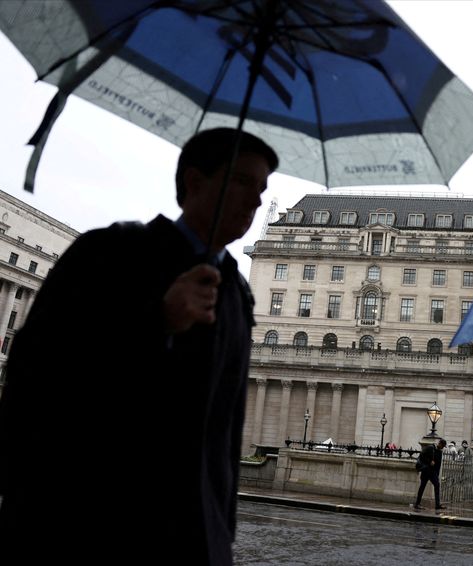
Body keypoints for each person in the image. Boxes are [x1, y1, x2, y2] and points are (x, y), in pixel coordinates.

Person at [0, 128, 278, 566]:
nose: (256, 201)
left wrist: (221, 531)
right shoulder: (107, 253)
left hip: (194, 534)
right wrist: (156, 322)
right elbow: (34, 375)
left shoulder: (237, 293)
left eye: (262, 188)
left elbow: (224, 427)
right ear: (194, 182)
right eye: (242, 181)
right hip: (88, 523)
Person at [414, 438, 447, 511]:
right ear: (440, 443)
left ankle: (437, 505)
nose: (442, 447)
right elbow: (422, 456)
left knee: (437, 485)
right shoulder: (430, 448)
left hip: (433, 473)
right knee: (422, 487)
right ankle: (417, 504)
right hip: (426, 470)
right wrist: (429, 462)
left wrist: (437, 474)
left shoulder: (439, 452)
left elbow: (438, 465)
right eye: (443, 446)